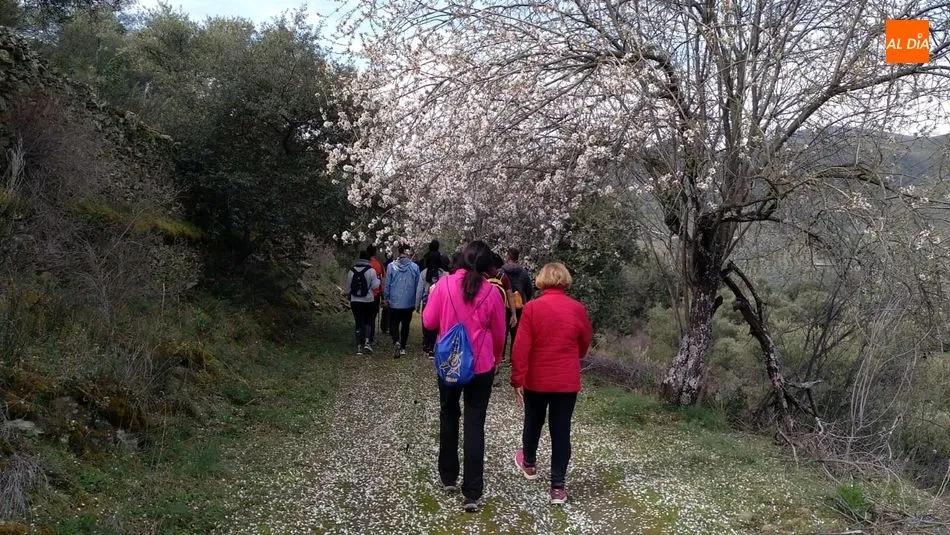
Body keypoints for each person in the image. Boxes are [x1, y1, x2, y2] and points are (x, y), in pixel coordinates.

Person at [422, 240, 506, 513]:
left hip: (448, 364)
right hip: (480, 367)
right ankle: (472, 492)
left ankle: (448, 477)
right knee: (474, 424)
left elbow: (428, 322)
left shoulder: (444, 285)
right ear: (486, 266)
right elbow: (499, 334)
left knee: (448, 414)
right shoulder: (493, 293)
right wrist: (496, 359)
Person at [510, 262, 592, 505]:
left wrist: (517, 378)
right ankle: (557, 487)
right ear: (565, 280)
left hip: (537, 379)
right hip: (566, 381)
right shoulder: (577, 309)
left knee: (533, 420)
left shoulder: (533, 308)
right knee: (561, 430)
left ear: (541, 280)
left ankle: (529, 463)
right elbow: (584, 341)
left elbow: (521, 347)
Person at [385, 243, 420, 358]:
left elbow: (387, 284)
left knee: (393, 323)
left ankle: (396, 341)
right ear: (408, 252)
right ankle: (403, 346)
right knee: (406, 324)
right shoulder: (414, 267)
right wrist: (416, 300)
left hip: (394, 301)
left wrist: (386, 297)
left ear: (398, 252)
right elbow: (417, 285)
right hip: (408, 302)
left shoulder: (391, 266)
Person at [345, 251, 381, 355]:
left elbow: (347, 288)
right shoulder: (371, 271)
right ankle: (367, 342)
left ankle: (358, 345)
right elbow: (375, 286)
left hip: (355, 301)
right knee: (368, 321)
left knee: (358, 321)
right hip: (368, 300)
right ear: (369, 259)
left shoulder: (351, 271)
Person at [502, 247, 534, 354]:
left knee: (503, 331)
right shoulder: (523, 272)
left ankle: (501, 356)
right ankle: (513, 356)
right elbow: (529, 288)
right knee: (515, 332)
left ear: (508, 257)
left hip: (503, 304)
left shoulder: (501, 271)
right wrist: (526, 300)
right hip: (518, 304)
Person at [416, 249, 447, 358]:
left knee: (427, 324)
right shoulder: (444, 274)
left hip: (426, 302)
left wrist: (416, 305)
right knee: (437, 324)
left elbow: (419, 290)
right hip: (440, 303)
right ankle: (434, 346)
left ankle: (427, 344)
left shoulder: (424, 273)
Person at [367, 244, 385, 348]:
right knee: (372, 317)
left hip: (363, 295)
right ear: (375, 253)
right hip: (375, 294)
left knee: (364, 316)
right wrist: (383, 296)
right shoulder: (379, 265)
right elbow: (382, 281)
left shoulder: (365, 264)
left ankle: (363, 336)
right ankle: (370, 338)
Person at [380, 253, 395, 335]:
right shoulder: (394, 265)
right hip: (392, 288)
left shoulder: (383, 265)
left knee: (385, 308)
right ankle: (390, 326)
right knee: (391, 308)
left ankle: (384, 326)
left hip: (383, 287)